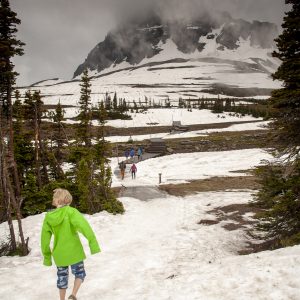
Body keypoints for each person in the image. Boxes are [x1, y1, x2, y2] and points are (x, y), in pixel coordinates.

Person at [41, 188, 100, 300]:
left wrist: (47, 257)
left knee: (62, 278)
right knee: (80, 273)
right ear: (67, 199)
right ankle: (73, 295)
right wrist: (93, 244)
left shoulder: (49, 217)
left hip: (60, 254)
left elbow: (44, 240)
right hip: (74, 252)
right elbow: (85, 228)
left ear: (56, 201)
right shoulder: (71, 212)